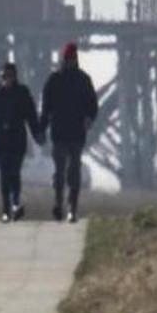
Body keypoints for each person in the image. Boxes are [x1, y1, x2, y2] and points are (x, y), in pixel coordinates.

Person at [39, 41, 99, 222]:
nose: (69, 61)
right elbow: (46, 108)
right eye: (67, 58)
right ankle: (58, 204)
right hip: (59, 133)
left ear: (76, 59)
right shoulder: (54, 80)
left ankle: (72, 208)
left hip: (76, 134)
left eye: (71, 58)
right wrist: (41, 129)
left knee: (74, 172)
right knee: (59, 172)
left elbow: (93, 105)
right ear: (63, 59)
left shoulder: (84, 80)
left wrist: (89, 118)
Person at [0, 61, 43, 222]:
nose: (7, 79)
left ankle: (15, 204)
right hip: (1, 141)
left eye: (9, 76)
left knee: (14, 174)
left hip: (17, 141)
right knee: (4, 176)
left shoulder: (22, 93)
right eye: (4, 76)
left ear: (15, 76)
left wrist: (37, 133)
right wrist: (1, 88)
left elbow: (31, 115)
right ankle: (5, 210)